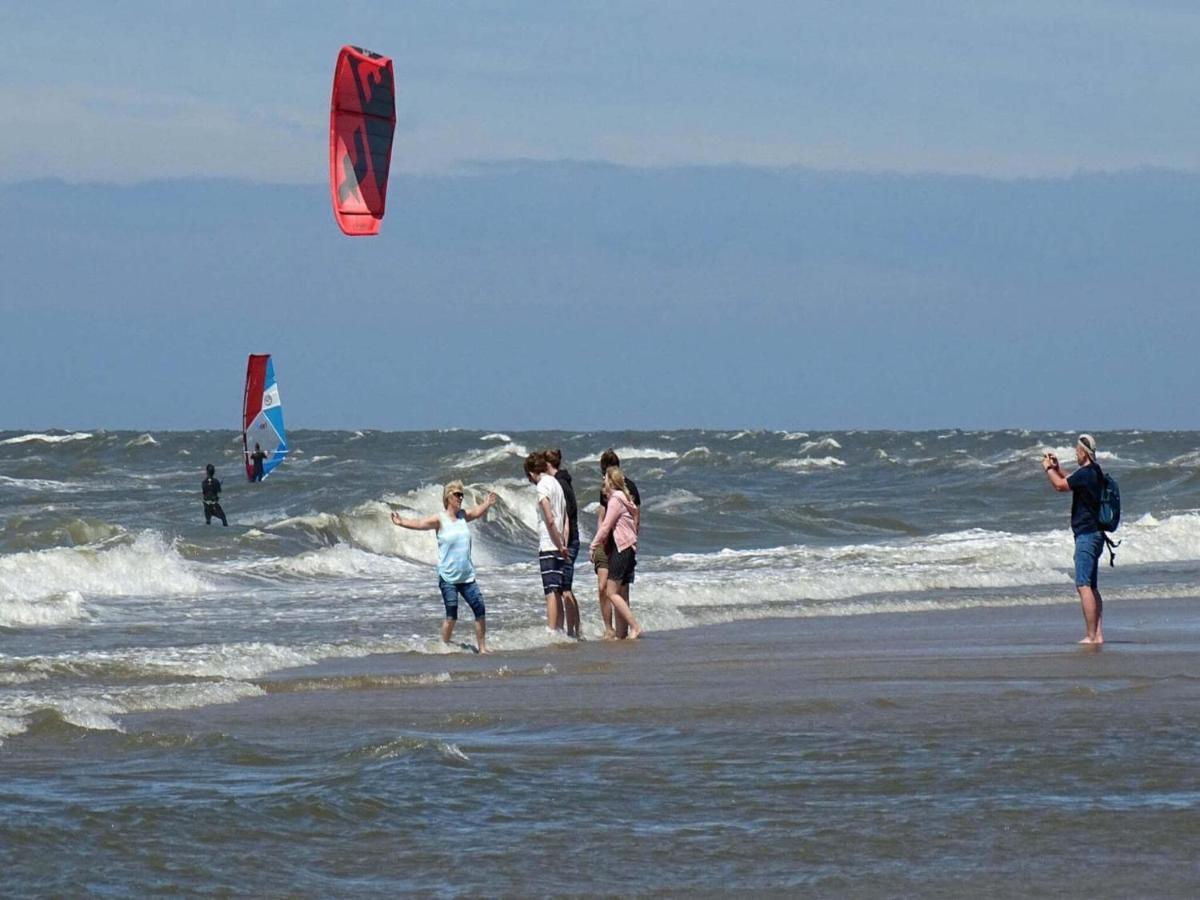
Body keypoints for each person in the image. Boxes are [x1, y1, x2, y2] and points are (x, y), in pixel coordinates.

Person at [390, 481, 497, 654]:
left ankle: (482, 648)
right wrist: (401, 522)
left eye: (462, 495)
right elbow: (420, 523)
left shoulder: (463, 516)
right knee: (452, 615)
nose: (460, 498)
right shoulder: (440, 519)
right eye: (457, 494)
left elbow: (476, 512)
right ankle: (444, 646)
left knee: (480, 609)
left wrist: (487, 503)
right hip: (448, 577)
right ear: (448, 497)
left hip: (467, 575)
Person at [1043, 433, 1106, 645]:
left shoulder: (1087, 473)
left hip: (1087, 535)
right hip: (1096, 534)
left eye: (1077, 451)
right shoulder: (1094, 472)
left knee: (1083, 585)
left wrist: (1048, 469)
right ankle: (1097, 634)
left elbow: (1060, 486)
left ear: (1083, 452)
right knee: (1092, 586)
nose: (1075, 454)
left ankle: (1091, 636)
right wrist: (1058, 468)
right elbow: (1070, 480)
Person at [524, 451, 574, 635]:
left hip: (549, 544)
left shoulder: (542, 486)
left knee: (550, 591)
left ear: (531, 473)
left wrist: (558, 544)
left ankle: (552, 630)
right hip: (560, 543)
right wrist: (564, 543)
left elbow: (549, 518)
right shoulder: (556, 484)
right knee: (558, 590)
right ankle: (560, 630)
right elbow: (566, 518)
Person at [590, 466, 642, 640]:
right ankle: (621, 635)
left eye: (605, 479)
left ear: (611, 481)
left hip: (622, 548)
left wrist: (593, 545)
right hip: (630, 548)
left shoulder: (616, 500)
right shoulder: (624, 497)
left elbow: (605, 526)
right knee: (619, 592)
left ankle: (634, 627)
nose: (603, 481)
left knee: (611, 592)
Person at [545, 448, 581, 638]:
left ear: (547, 464)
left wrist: (563, 544)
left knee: (564, 588)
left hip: (569, 540)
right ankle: (574, 630)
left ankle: (573, 632)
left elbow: (566, 516)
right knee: (565, 588)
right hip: (572, 539)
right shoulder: (565, 481)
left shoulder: (560, 484)